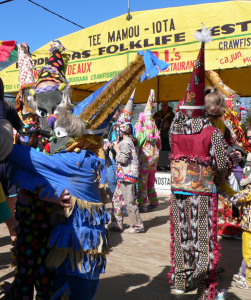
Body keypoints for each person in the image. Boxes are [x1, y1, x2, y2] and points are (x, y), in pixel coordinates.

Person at [168, 25, 230, 299]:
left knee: (182, 237)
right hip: (203, 192)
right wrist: (222, 174)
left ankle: (181, 281)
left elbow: (171, 149)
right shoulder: (213, 133)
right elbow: (224, 164)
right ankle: (205, 286)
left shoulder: (173, 128)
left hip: (178, 190)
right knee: (203, 239)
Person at [109, 90, 144, 233]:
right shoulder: (127, 141)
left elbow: (122, 159)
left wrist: (116, 149)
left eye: (118, 128)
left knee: (129, 202)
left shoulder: (125, 143)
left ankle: (138, 225)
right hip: (123, 176)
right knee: (117, 199)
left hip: (127, 177)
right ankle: (117, 223)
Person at [136, 90, 161, 212]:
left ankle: (142, 204)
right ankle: (154, 200)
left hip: (145, 158)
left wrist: (138, 126)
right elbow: (160, 145)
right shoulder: (155, 128)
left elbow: (138, 142)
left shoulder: (144, 128)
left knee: (142, 182)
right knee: (151, 181)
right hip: (154, 158)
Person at [229, 153, 251, 290]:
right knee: (246, 253)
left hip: (250, 227)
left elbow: (242, 196)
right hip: (247, 226)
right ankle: (245, 274)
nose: (247, 168)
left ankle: (249, 280)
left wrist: (230, 194)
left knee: (249, 254)